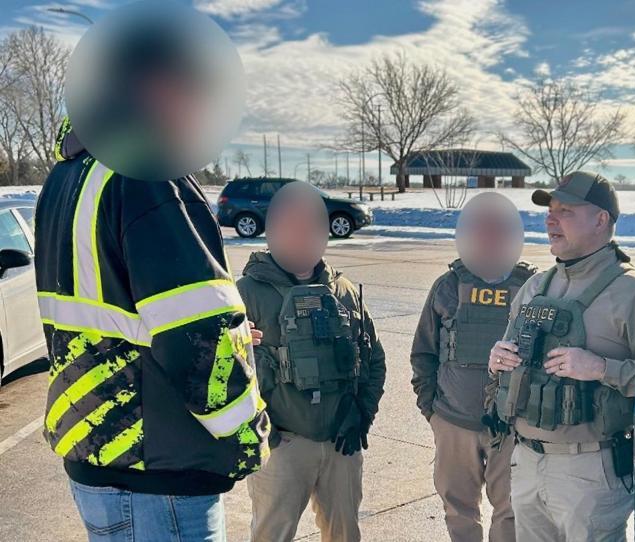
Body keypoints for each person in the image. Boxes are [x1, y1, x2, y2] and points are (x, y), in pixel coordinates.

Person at [36, 117, 270, 541]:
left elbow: (116, 312)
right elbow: (196, 329)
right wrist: (247, 433)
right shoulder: (147, 171)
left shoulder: (67, 175)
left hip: (96, 452)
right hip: (160, 469)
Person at [485, 172, 635, 542]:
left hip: (590, 469)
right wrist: (497, 360)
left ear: (601, 220)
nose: (550, 220)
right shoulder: (534, 287)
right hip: (526, 460)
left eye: (566, 211)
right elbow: (505, 362)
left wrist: (601, 368)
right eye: (550, 211)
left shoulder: (632, 293)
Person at [237, 181, 386, 542]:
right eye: (292, 227)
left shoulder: (344, 291)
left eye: (311, 228)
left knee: (345, 533)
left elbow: (373, 359)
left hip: (341, 442)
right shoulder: (246, 294)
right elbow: (223, 373)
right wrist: (257, 432)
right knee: (272, 534)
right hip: (281, 445)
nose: (302, 237)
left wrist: (361, 415)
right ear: (271, 232)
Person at [411, 192, 536, 542]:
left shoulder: (530, 288)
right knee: (457, 507)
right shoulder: (448, 286)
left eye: (497, 231)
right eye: (481, 231)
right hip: (454, 422)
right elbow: (423, 353)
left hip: (510, 427)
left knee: (510, 510)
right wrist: (432, 412)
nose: (489, 239)